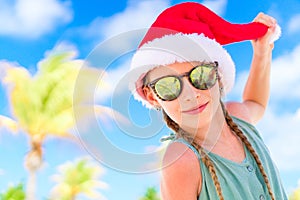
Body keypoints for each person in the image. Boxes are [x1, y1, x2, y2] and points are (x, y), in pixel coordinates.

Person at [128, 2, 287, 200]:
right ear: (152, 96)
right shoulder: (181, 160)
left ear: (218, 76)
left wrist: (262, 53)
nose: (190, 95)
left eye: (201, 75)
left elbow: (256, 103)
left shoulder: (237, 116)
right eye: (168, 86)